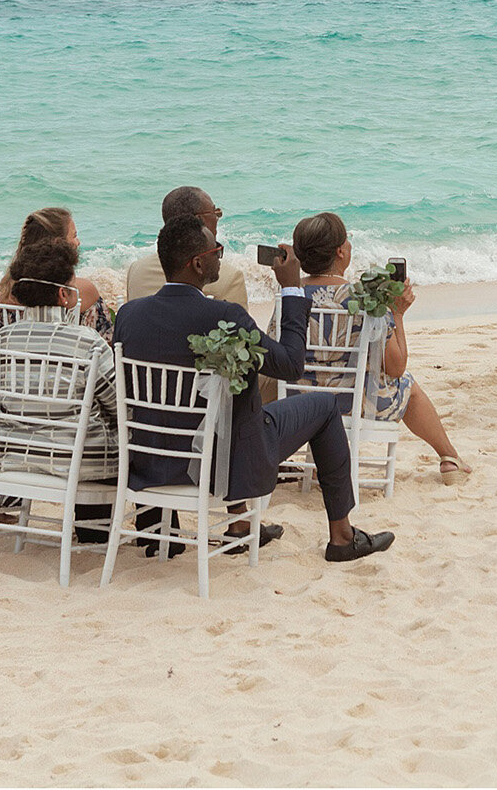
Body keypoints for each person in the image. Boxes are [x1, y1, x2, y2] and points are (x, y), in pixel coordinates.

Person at [112, 215, 391, 562]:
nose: (221, 257)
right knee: (323, 407)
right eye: (218, 251)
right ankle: (343, 536)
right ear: (198, 264)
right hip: (223, 464)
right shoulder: (223, 316)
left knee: (235, 406)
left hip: (151, 461)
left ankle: (242, 527)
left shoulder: (128, 315)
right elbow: (290, 365)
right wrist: (291, 289)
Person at [291, 212, 471, 484]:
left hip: (299, 404)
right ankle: (449, 457)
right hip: (354, 406)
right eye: (347, 241)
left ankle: (322, 460)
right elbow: (396, 368)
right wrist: (397, 313)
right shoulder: (364, 298)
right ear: (340, 252)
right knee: (407, 384)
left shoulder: (288, 295)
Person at [0, 235, 120, 542]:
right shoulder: (87, 342)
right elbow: (119, 404)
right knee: (114, 434)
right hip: (77, 464)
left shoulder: (4, 340)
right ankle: (95, 534)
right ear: (64, 294)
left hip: (17, 456)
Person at [122, 186, 260, 312]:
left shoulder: (136, 270)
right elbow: (240, 337)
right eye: (215, 213)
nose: (217, 219)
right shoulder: (228, 278)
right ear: (200, 220)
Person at [0, 207, 112, 338]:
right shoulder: (78, 292)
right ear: (58, 244)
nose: (78, 242)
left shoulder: (5, 292)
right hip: (69, 356)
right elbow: (106, 341)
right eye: (74, 236)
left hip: (15, 356)